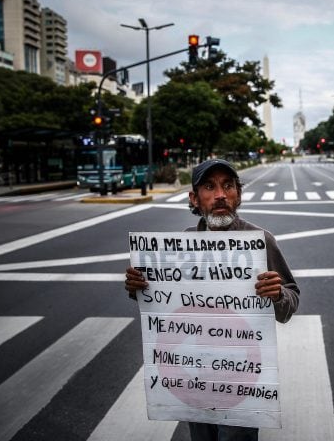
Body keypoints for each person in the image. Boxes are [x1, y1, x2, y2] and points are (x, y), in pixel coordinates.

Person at [125, 158, 300, 441]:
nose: (220, 195)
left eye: (228, 186)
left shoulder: (259, 241)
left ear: (238, 195)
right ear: (194, 198)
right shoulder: (180, 245)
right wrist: (138, 288)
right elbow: (162, 303)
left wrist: (277, 294)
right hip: (195, 374)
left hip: (241, 376)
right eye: (210, 186)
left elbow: (291, 299)